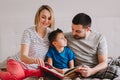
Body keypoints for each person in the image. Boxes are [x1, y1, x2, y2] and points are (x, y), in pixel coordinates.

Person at [0, 5, 55, 80]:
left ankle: (22, 73)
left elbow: (59, 44)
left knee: (46, 75)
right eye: (43, 17)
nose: (46, 21)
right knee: (18, 77)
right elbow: (23, 57)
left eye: (49, 18)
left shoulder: (51, 34)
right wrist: (34, 60)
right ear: (38, 16)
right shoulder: (28, 32)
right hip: (18, 62)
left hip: (33, 68)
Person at [65, 13, 109, 79]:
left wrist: (91, 71)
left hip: (96, 69)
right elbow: (51, 38)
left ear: (88, 29)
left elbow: (104, 62)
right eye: (72, 29)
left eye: (78, 31)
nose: (73, 33)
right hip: (80, 71)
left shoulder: (99, 38)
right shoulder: (66, 37)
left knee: (115, 70)